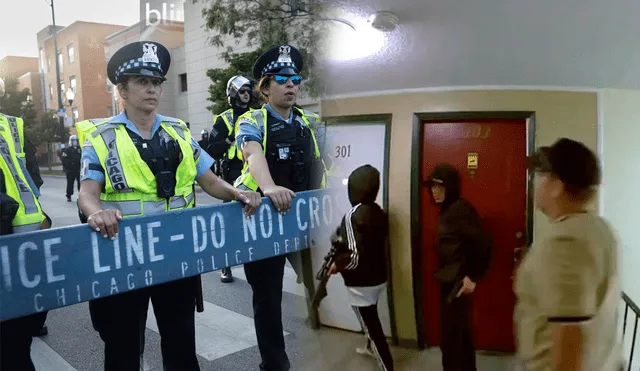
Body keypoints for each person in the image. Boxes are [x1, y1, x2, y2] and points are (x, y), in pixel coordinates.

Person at [76, 41, 261, 371]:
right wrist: (96, 212)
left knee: (180, 343)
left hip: (175, 256)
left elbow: (209, 181)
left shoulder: (178, 132)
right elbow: (87, 193)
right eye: (142, 82)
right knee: (123, 347)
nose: (152, 90)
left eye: (156, 82)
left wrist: (238, 193)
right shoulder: (101, 137)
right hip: (125, 257)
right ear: (122, 89)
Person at [234, 43, 327, 371]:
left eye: (296, 79)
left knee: (322, 285)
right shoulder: (252, 120)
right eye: (282, 79)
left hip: (304, 220)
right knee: (268, 299)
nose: (291, 84)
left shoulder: (310, 122)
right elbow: (253, 154)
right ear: (265, 86)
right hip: (264, 220)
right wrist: (269, 187)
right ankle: (274, 365)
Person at [515, 138, 622, 371]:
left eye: (540, 174)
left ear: (556, 186)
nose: (534, 181)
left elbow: (569, 334)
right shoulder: (599, 228)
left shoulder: (564, 241)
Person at [0, 78, 52, 371]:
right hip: (19, 236)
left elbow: (31, 177)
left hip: (22, 234)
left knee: (16, 344)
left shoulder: (12, 126)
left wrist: (41, 218)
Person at [424, 164, 492, 371]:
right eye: (432, 187)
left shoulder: (461, 209)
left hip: (458, 285)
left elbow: (484, 245)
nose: (434, 192)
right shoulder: (447, 211)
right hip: (449, 282)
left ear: (450, 187)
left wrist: (473, 276)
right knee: (455, 340)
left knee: (454, 342)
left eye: (439, 187)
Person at [328, 164, 394, 371]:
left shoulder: (352, 215)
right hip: (379, 278)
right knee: (371, 318)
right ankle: (368, 346)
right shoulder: (378, 211)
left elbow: (354, 255)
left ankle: (387, 367)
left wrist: (337, 266)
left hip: (360, 283)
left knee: (372, 327)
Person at [205, 74, 254, 283]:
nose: (246, 95)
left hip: (254, 174)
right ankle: (226, 266)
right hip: (232, 176)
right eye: (242, 91)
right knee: (230, 224)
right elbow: (211, 150)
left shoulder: (258, 115)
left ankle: (256, 262)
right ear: (234, 94)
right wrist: (230, 137)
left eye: (248, 91)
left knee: (256, 218)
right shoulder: (224, 119)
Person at [61, 134, 81, 202]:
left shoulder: (80, 149)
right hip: (70, 170)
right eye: (73, 141)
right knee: (70, 183)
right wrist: (68, 167)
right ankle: (69, 196)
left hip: (78, 169)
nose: (75, 142)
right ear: (71, 141)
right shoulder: (67, 150)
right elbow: (64, 159)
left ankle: (81, 195)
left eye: (76, 141)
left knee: (80, 183)